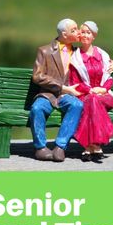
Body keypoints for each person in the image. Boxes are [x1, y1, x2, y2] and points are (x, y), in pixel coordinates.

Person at [30, 18, 83, 162]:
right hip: (48, 93)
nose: (78, 32)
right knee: (37, 109)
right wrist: (61, 87)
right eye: (74, 30)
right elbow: (37, 76)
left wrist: (110, 63)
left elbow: (96, 60)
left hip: (68, 96)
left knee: (77, 105)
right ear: (64, 34)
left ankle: (60, 146)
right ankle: (40, 148)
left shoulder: (79, 52)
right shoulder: (45, 51)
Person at [69, 21, 113, 161]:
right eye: (82, 32)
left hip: (104, 95)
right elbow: (75, 82)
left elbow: (109, 77)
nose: (85, 35)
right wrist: (90, 90)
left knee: (94, 101)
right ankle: (95, 146)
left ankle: (88, 146)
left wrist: (103, 88)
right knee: (92, 101)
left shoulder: (103, 55)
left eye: (88, 32)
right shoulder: (76, 58)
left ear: (94, 36)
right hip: (85, 95)